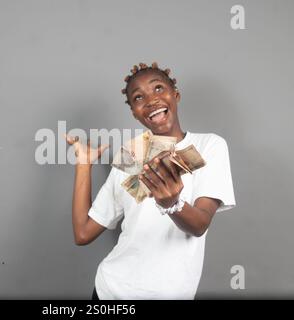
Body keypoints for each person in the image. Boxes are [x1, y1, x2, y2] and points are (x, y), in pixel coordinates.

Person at [65, 62, 236, 300]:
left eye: (158, 89)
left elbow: (199, 225)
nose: (151, 100)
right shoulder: (129, 155)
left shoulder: (210, 146)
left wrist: (173, 204)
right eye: (138, 97)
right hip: (110, 292)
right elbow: (83, 233)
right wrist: (84, 165)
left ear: (175, 95)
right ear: (135, 113)